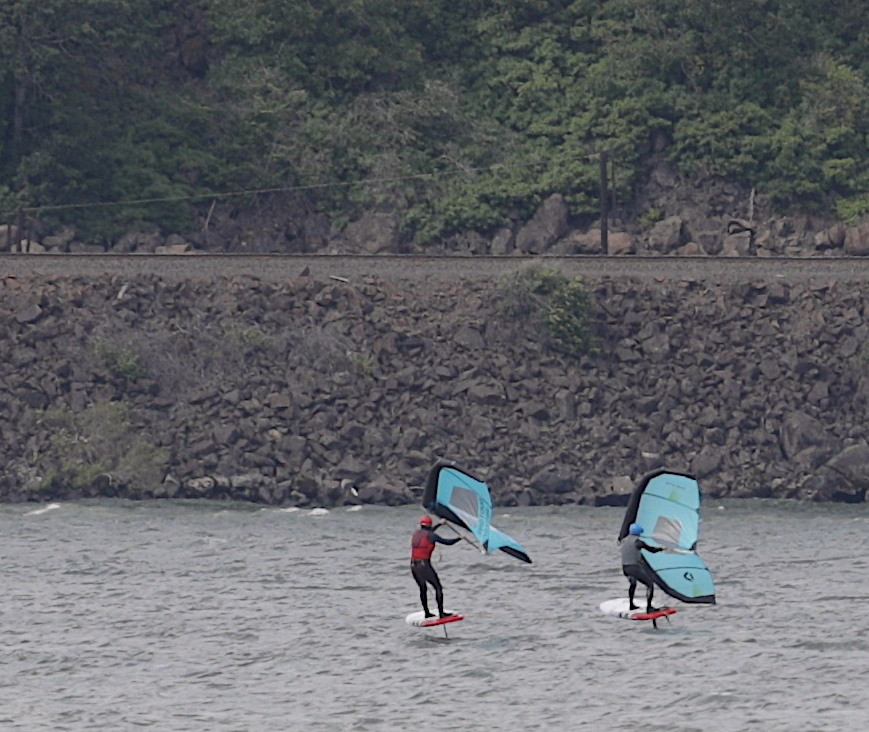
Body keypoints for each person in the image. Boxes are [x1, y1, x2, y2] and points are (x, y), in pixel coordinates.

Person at [410, 515, 461, 618]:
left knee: (423, 589)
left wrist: (440, 524)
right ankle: (441, 613)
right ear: (430, 525)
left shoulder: (416, 534)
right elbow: (447, 542)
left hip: (413, 566)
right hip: (424, 566)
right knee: (438, 588)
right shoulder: (432, 536)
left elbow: (429, 533)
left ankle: (427, 613)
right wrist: (459, 538)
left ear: (421, 525)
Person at [619, 523, 666, 612]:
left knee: (633, 584)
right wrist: (661, 549)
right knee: (650, 584)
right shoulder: (638, 542)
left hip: (625, 568)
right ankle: (649, 607)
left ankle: (631, 605)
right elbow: (652, 550)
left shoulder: (624, 541)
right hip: (634, 568)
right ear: (638, 533)